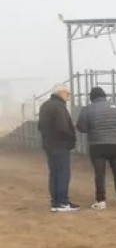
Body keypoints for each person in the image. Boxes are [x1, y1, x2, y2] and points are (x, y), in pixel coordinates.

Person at [76, 87, 116, 210]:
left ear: (92, 97)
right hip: (115, 144)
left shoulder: (87, 109)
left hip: (97, 145)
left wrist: (93, 129)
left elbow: (81, 127)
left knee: (99, 174)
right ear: (104, 95)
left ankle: (100, 201)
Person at [38, 84, 80, 212]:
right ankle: (62, 202)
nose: (69, 96)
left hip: (49, 144)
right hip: (60, 145)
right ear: (61, 93)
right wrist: (71, 139)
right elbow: (63, 127)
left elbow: (40, 126)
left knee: (54, 173)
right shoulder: (59, 107)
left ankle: (55, 202)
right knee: (63, 173)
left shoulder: (45, 105)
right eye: (67, 93)